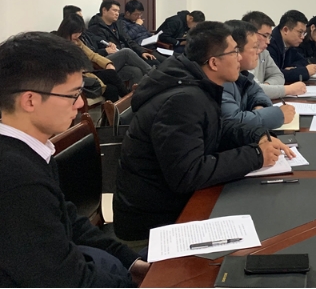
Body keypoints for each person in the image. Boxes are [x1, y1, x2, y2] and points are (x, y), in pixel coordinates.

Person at [113, 21, 294, 241]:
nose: (239, 58)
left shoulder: (197, 84)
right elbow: (189, 174)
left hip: (173, 203)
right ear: (214, 63)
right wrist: (256, 155)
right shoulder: (182, 100)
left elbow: (217, 128)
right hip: (154, 223)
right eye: (234, 52)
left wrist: (257, 136)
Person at [0, 32, 150, 287]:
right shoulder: (16, 178)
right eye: (72, 95)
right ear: (30, 100)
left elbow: (67, 217)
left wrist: (131, 262)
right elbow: (60, 278)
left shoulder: (31, 150)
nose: (81, 103)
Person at [221, 20, 295, 129]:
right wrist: (279, 115)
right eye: (255, 47)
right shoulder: (221, 79)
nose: (258, 52)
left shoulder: (242, 74)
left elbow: (257, 92)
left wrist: (259, 107)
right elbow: (234, 122)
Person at [57, 14, 129, 102]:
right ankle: (129, 100)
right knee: (111, 83)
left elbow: (92, 55)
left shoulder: (77, 42)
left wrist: (107, 64)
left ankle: (119, 107)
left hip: (87, 74)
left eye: (80, 32)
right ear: (67, 30)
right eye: (75, 33)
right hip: (78, 79)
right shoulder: (59, 46)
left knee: (112, 83)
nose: (78, 35)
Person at [241, 11, 307, 99]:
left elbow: (279, 76)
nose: (268, 41)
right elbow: (252, 90)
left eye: (269, 37)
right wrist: (289, 89)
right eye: (265, 36)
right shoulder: (242, 57)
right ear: (250, 34)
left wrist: (266, 87)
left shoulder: (264, 53)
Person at [88, 0, 160, 65]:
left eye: (118, 11)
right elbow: (101, 48)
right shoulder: (95, 27)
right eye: (114, 10)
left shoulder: (117, 24)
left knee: (152, 60)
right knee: (136, 70)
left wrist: (142, 52)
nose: (117, 14)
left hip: (127, 52)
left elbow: (128, 39)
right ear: (104, 10)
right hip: (113, 58)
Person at [267, 10, 316, 85]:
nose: (302, 37)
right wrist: (304, 72)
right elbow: (274, 75)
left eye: (304, 33)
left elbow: (303, 61)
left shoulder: (289, 45)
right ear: (286, 30)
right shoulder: (270, 45)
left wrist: (292, 69)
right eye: (300, 32)